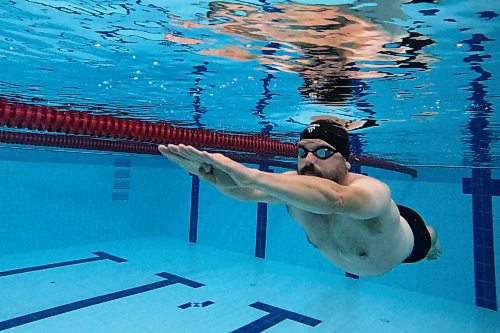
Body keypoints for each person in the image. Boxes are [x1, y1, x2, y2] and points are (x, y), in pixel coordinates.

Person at [158, 119, 441, 277]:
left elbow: (335, 199)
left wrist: (251, 174)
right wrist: (213, 177)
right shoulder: (293, 187)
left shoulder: (374, 190)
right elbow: (245, 192)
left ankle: (434, 240)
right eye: (302, 152)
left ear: (346, 163)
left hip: (409, 239)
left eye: (321, 152)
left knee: (429, 244)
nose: (308, 161)